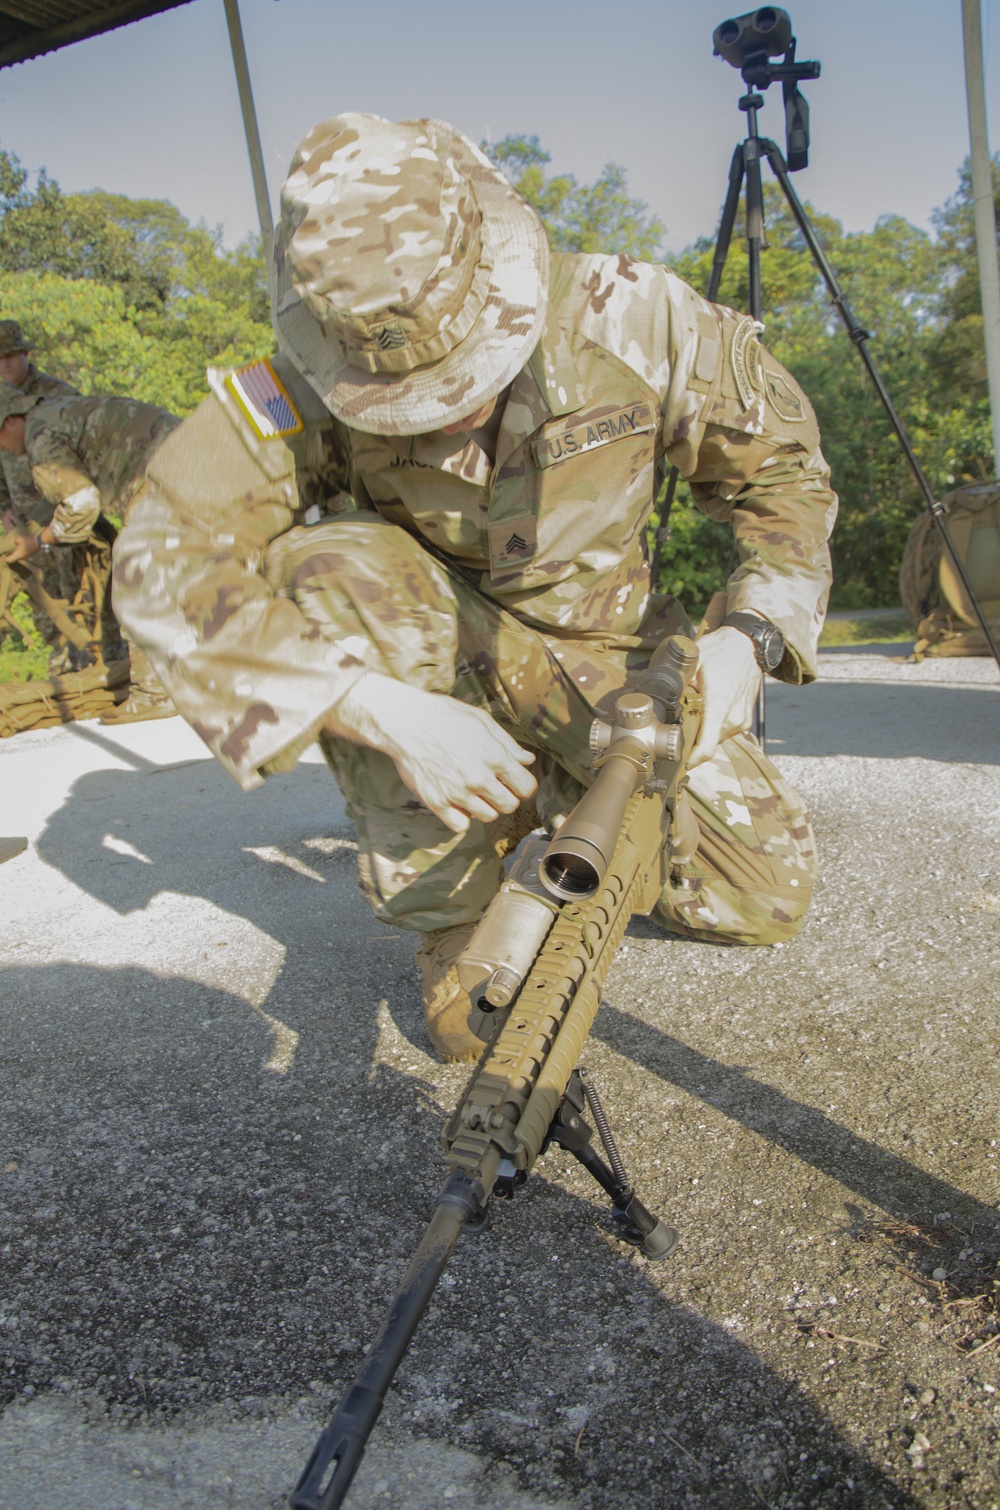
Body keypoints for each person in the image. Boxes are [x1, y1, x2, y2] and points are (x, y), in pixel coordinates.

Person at [114, 114, 838, 1060]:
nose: (447, 417)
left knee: (759, 895)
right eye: (406, 402)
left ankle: (541, 796)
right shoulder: (297, 382)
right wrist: (374, 708)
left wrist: (751, 630)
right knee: (330, 566)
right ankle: (454, 902)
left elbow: (783, 472)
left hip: (607, 656)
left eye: (469, 380)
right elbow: (158, 559)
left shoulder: (635, 315)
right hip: (432, 647)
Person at [0, 384, 180, 720]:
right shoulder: (58, 408)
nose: (2, 447)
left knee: (134, 576)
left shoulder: (40, 438)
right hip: (186, 457)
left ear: (9, 420)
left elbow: (81, 503)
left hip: (160, 476)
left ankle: (156, 693)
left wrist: (40, 541)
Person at [0, 320, 84, 667]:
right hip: (22, 520)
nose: (5, 364)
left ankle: (103, 657)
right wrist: (2, 506)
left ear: (26, 353)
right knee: (41, 594)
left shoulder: (57, 393)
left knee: (79, 587)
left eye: (11, 355)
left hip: (62, 510)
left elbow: (84, 447)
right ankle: (63, 663)